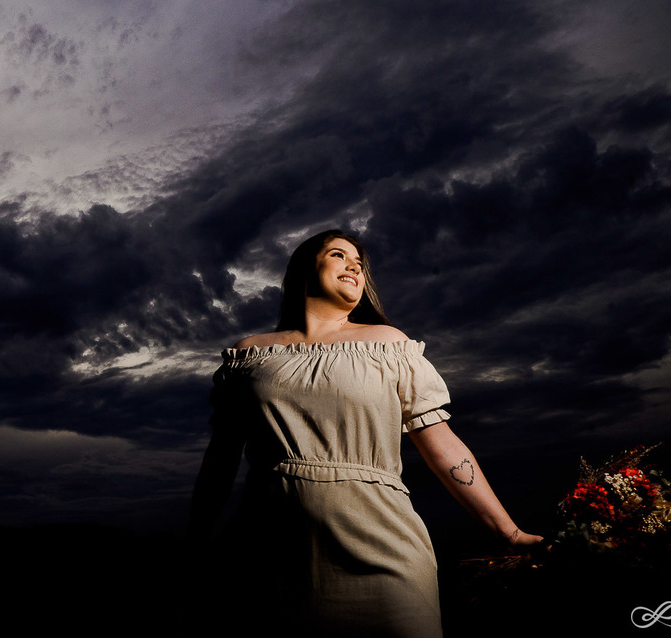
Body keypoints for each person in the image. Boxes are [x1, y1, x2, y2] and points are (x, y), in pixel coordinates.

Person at [189, 229, 541, 637]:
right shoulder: (251, 355)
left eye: (359, 262)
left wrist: (509, 532)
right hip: (270, 552)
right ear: (305, 268)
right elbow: (220, 460)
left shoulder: (389, 345)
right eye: (338, 255)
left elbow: (442, 446)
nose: (354, 265)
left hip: (384, 546)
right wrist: (195, 542)